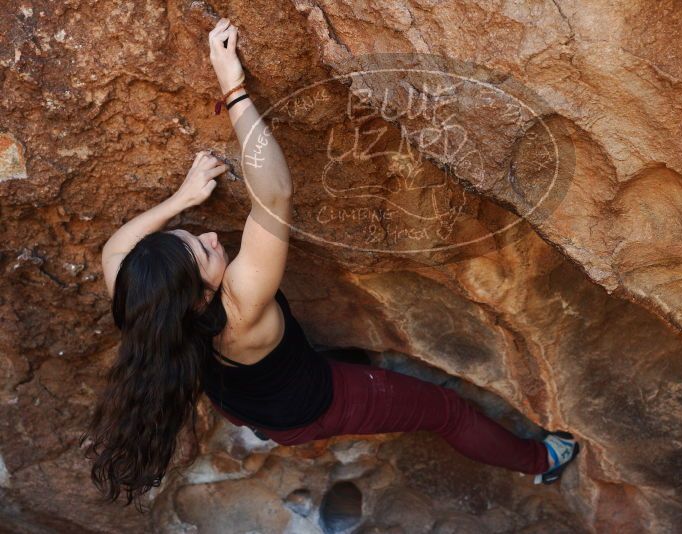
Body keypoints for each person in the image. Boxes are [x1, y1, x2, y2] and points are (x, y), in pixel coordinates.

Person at [80, 17, 579, 511]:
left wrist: (180, 198)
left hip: (251, 403)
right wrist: (233, 89)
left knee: (292, 377)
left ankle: (289, 408)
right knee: (445, 410)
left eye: (193, 236)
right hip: (316, 405)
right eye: (204, 251)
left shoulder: (145, 303)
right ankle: (541, 460)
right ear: (202, 296)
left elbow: (115, 249)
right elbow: (274, 193)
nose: (212, 236)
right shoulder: (241, 306)